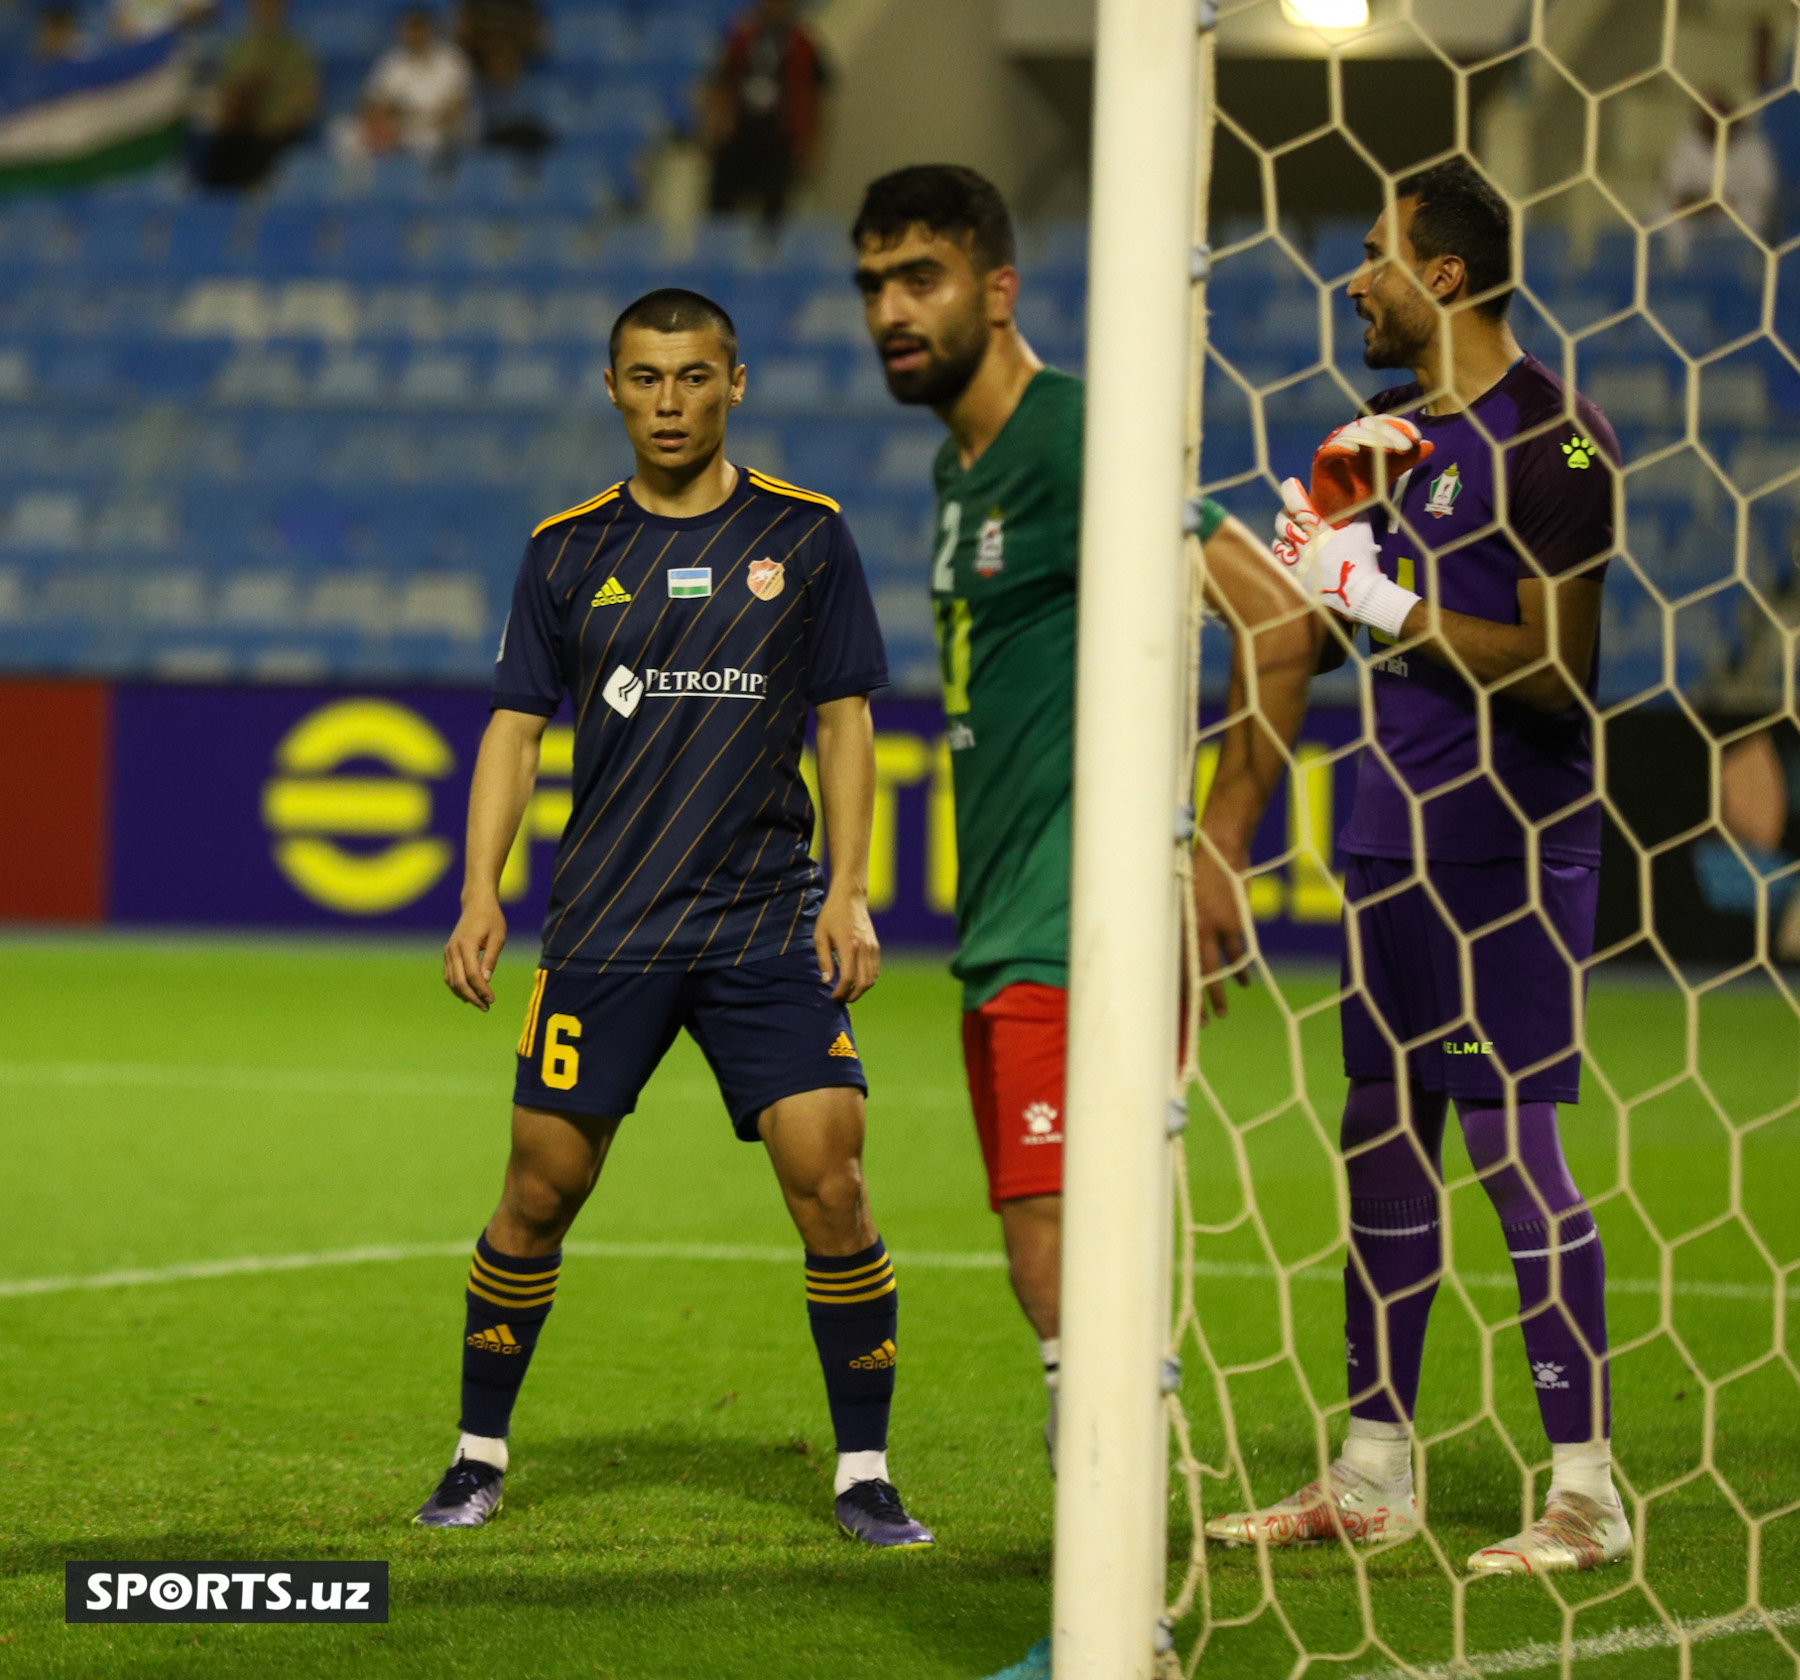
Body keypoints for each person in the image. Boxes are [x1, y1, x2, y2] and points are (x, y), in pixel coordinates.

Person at [413, 288, 933, 1552]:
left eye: (693, 377)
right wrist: (480, 889)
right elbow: (512, 732)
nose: (668, 400)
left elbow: (847, 719)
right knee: (537, 1194)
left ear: (735, 385)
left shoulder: (805, 539)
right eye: (645, 378)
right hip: (607, 929)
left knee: (836, 1184)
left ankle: (863, 1470)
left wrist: (851, 891)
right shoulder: (564, 551)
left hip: (767, 925)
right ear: (612, 389)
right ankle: (479, 1453)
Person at [852, 165, 1323, 1481]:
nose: (892, 310)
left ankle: (1110, 1622)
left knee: (1059, 1262)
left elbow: (1279, 620)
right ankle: (1107, 1606)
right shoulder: (966, 471)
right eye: (874, 286)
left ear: (998, 292)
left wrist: (1216, 844)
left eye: (921, 281)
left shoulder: (1073, 436)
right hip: (1013, 926)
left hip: (1084, 923)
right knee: (1051, 1266)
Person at [1203, 158, 1629, 1576]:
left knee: (1514, 1154)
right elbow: (1324, 633)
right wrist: (1282, 564)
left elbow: (1561, 673)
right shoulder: (1385, 438)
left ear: (1444, 275)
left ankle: (1586, 1488)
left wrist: (1376, 591)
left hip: (1506, 849)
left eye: (1375, 253)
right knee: (1381, 1144)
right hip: (1385, 839)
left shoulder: (1558, 441)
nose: (1354, 278)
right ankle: (1372, 1470)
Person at [705, 0, 828, 226]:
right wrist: (715, 125)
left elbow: (815, 96)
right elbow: (722, 82)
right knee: (721, 194)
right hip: (741, 129)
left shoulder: (803, 44)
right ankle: (719, 247)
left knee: (776, 203)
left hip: (780, 132)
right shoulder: (743, 38)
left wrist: (812, 144)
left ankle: (771, 251)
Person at [190, 0, 319, 192]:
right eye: (261, 7)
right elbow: (226, 92)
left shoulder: (296, 51)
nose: (265, 13)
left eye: (271, 7)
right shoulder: (239, 49)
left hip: (276, 134)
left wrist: (271, 122)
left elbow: (305, 101)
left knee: (262, 159)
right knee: (215, 158)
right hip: (239, 131)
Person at [336, 6, 474, 165]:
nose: (415, 36)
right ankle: (365, 185)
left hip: (438, 129)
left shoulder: (452, 59)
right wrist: (385, 118)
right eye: (410, 30)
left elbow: (458, 106)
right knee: (344, 133)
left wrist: (423, 118)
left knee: (429, 141)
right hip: (400, 126)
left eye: (419, 29)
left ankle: (428, 184)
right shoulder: (393, 60)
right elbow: (371, 102)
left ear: (429, 30)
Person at [1659, 89, 1776, 254]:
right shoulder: (1687, 143)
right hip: (1696, 211)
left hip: (1735, 213)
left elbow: (1764, 190)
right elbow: (1673, 187)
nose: (1710, 120)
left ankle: (1750, 267)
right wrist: (1700, 202)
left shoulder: (1752, 145)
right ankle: (1679, 268)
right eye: (1705, 115)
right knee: (1664, 214)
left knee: (1754, 215)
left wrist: (1726, 202)